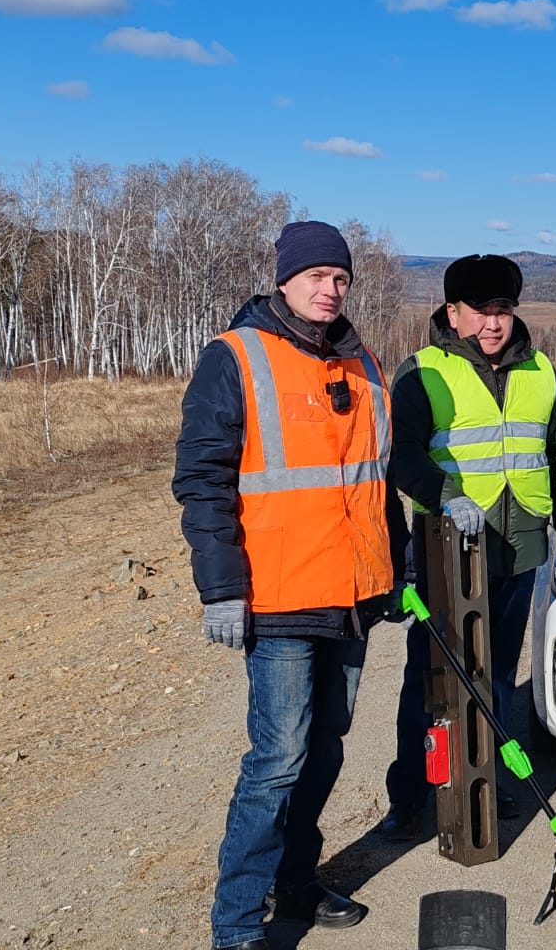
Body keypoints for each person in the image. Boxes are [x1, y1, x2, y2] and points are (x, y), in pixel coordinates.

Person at [172, 220, 409, 950]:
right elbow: (201, 480)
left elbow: (378, 480)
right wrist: (220, 590)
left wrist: (393, 571)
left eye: (340, 278)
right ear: (284, 279)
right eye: (316, 276)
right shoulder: (235, 356)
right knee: (277, 762)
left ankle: (297, 883)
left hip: (350, 597)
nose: (330, 289)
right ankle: (236, 927)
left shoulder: (365, 364)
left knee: (328, 749)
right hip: (276, 598)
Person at [379, 253, 556, 839]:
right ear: (454, 311)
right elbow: (404, 456)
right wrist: (446, 494)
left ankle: (487, 782)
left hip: (519, 548)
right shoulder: (422, 371)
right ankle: (413, 797)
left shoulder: (541, 371)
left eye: (503, 310)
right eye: (481, 311)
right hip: (448, 551)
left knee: (495, 674)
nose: (493, 323)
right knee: (434, 676)